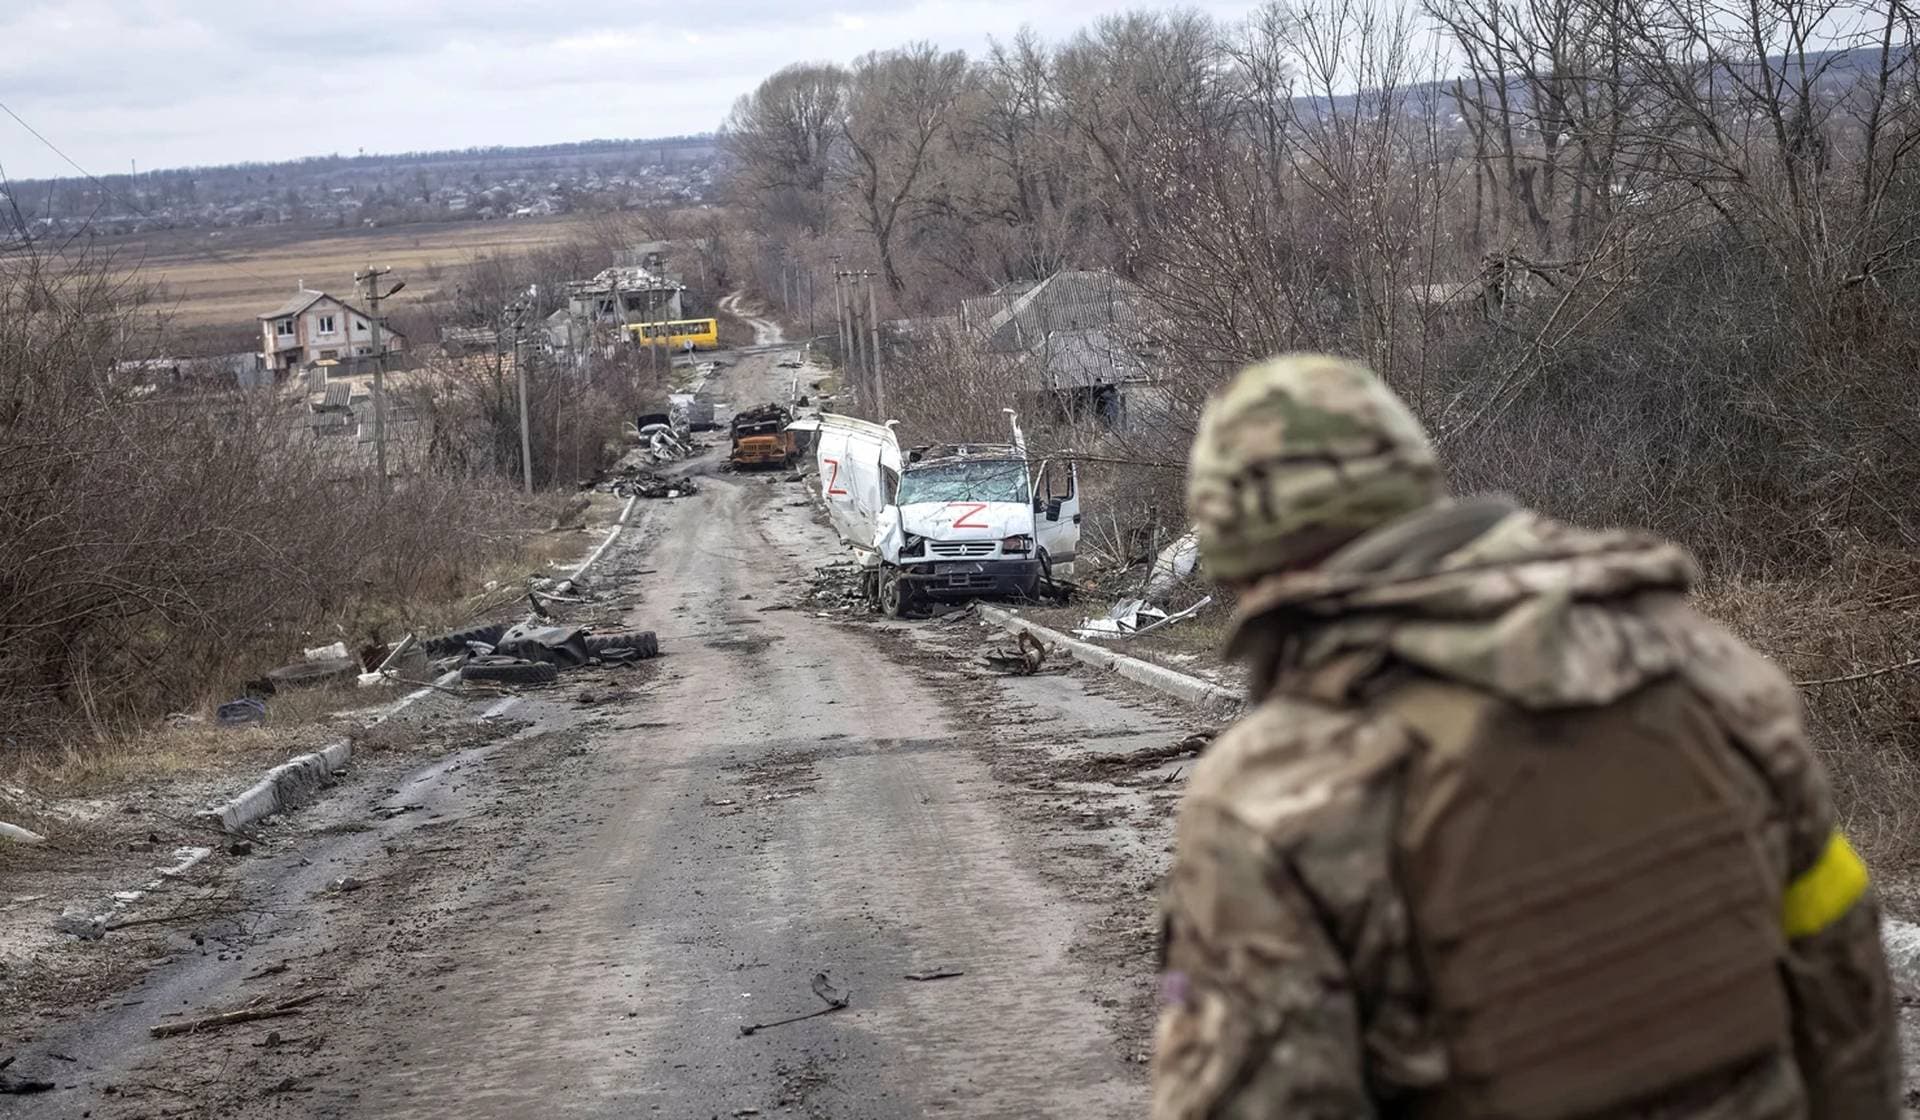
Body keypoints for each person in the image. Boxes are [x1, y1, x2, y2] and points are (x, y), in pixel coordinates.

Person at [1151, 353, 1901, 1120]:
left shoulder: (1271, 793)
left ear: (1239, 558)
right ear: (1417, 490)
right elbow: (1845, 982)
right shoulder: (1706, 669)